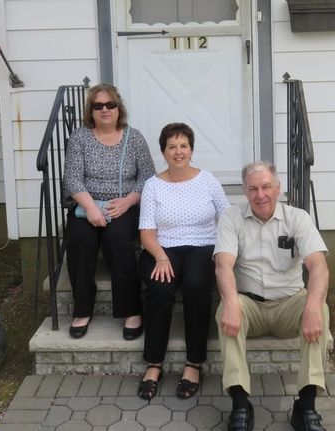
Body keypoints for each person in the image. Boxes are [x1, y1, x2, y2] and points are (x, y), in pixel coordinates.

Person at [214, 161, 331, 431]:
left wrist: (312, 308)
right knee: (225, 309)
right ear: (244, 191)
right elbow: (223, 265)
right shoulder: (231, 218)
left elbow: (319, 267)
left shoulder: (297, 218)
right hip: (250, 306)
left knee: (319, 308)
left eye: (266, 186)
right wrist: (231, 303)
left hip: (288, 304)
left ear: (278, 188)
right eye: (253, 188)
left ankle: (306, 406)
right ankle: (241, 405)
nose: (260, 194)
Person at [136, 123, 230, 401]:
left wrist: (228, 251)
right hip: (162, 247)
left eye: (184, 146)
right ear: (163, 152)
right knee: (159, 286)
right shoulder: (152, 185)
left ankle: (194, 363)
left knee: (196, 285)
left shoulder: (208, 179)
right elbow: (146, 232)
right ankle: (154, 364)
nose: (178, 152)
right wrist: (161, 256)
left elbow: (227, 218)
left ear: (191, 149)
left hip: (203, 245)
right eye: (172, 146)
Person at [63, 83, 155, 340]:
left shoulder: (133, 137)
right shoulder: (80, 138)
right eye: (98, 106)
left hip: (123, 205)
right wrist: (91, 208)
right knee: (80, 240)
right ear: (90, 111)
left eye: (110, 105)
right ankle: (82, 309)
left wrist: (127, 202)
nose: (105, 110)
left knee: (118, 241)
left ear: (119, 108)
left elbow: (147, 177)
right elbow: (72, 179)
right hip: (86, 206)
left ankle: (131, 310)